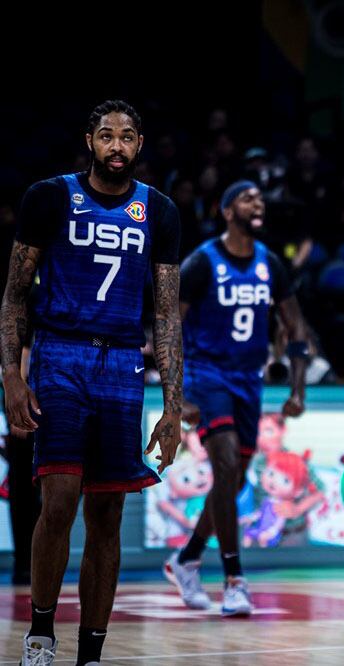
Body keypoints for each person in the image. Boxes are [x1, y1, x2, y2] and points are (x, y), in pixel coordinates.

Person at [1, 100, 182, 666]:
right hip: (59, 355)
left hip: (123, 365)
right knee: (57, 501)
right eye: (106, 136)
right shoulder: (49, 197)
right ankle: (40, 635)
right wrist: (11, 376)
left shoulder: (160, 210)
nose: (116, 146)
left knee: (107, 515)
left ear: (140, 144)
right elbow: (14, 294)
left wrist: (173, 406)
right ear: (90, 141)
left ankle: (92, 654)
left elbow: (167, 315)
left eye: (127, 137)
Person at [163, 180, 309, 616]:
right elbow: (169, 325)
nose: (257, 203)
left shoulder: (270, 263)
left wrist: (298, 388)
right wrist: (177, 395)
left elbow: (295, 327)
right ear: (227, 211)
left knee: (234, 479)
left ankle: (187, 558)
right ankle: (234, 579)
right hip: (208, 375)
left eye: (260, 198)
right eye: (247, 198)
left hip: (249, 380)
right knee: (225, 465)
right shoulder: (201, 262)